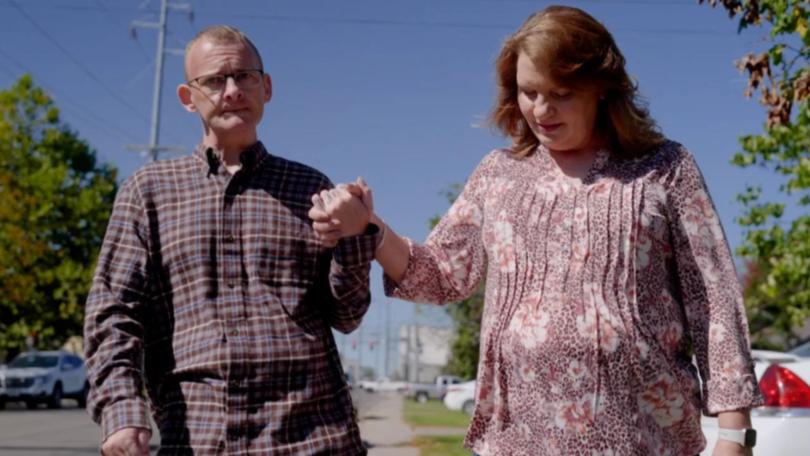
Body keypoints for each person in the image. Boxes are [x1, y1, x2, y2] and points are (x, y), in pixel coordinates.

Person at [311, 6, 762, 455]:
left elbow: (714, 298)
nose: (541, 110)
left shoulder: (664, 168)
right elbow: (443, 272)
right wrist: (370, 227)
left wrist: (734, 434)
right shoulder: (498, 174)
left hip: (642, 436)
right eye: (529, 92)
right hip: (520, 438)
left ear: (602, 90)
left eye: (561, 93)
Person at [84, 25, 379, 455]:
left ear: (267, 87)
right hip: (198, 437)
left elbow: (347, 315)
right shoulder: (147, 192)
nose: (232, 90)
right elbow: (113, 309)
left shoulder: (310, 188)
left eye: (245, 76)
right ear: (188, 97)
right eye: (214, 80)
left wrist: (355, 237)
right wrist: (121, 411)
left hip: (313, 437)